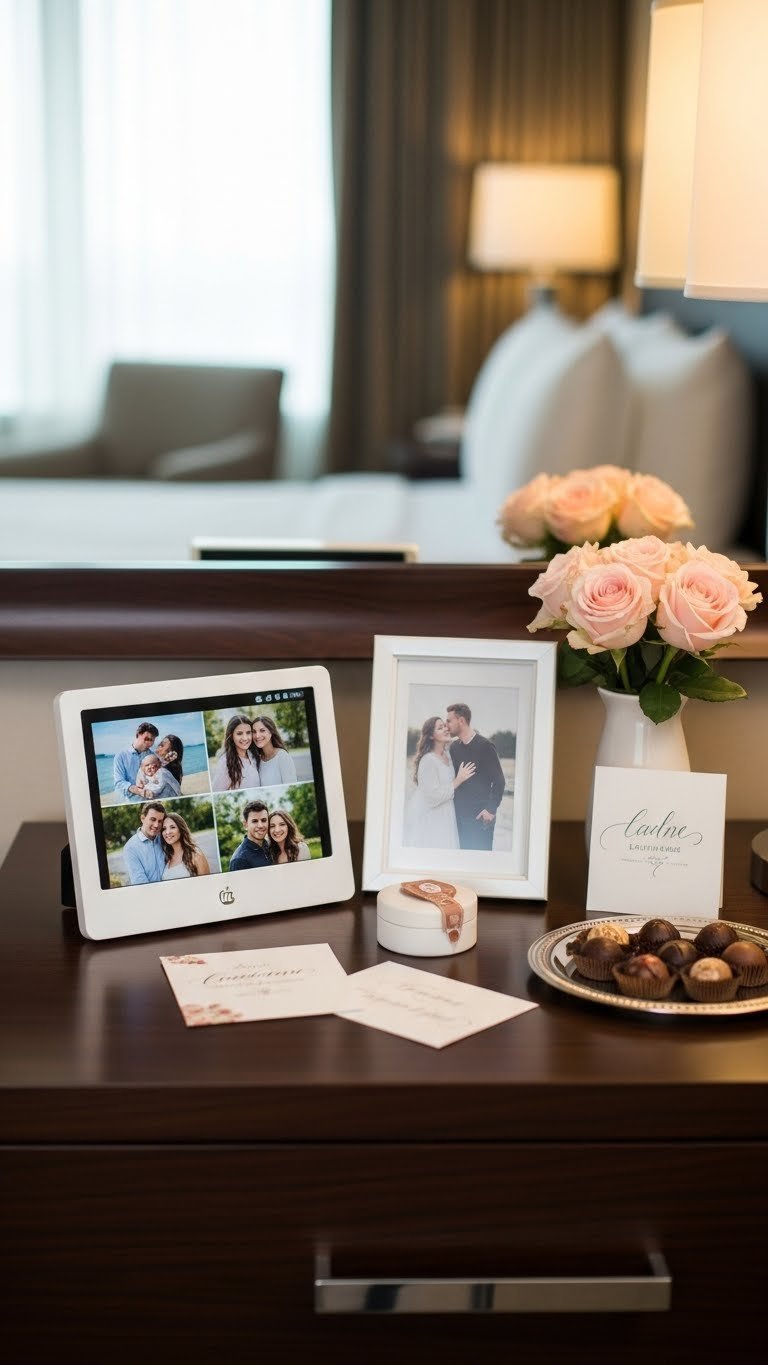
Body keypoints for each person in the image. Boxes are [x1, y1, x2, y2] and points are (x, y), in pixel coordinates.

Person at [404, 716, 476, 849]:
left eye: (445, 726)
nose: (446, 729)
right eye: (440, 727)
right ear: (431, 736)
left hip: (448, 816)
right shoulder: (428, 760)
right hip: (433, 819)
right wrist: (458, 780)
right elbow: (432, 796)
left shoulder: (448, 755)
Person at [446, 702, 506, 851]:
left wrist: (490, 810)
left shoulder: (485, 746)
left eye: (449, 720)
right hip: (459, 819)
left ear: (461, 720)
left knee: (481, 864)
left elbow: (499, 781)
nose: (447, 725)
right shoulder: (454, 748)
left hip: (480, 820)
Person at [211, 714, 260, 791]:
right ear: (231, 735)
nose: (245, 738)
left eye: (248, 732)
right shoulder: (226, 761)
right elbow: (216, 790)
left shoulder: (253, 755)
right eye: (239, 733)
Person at [122, 801, 167, 884]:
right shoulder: (130, 848)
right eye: (153, 819)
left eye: (160, 821)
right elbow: (140, 882)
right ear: (143, 818)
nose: (156, 825)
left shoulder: (165, 838)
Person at [113, 722, 159, 801]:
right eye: (147, 739)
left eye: (152, 740)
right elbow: (119, 782)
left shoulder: (153, 756)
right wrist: (139, 791)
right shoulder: (121, 755)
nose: (150, 743)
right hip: (127, 801)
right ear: (138, 734)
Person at [160, 811, 210, 879]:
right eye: (164, 828)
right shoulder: (165, 858)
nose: (167, 832)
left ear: (181, 829)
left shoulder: (195, 855)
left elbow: (207, 884)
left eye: (172, 827)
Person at [252, 715, 297, 785]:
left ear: (271, 732)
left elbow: (292, 787)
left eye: (262, 730)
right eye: (254, 732)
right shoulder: (258, 759)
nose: (257, 735)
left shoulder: (282, 756)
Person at [229, 800, 272, 871]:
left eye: (264, 820)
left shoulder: (270, 846)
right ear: (245, 825)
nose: (260, 825)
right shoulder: (239, 860)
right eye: (255, 821)